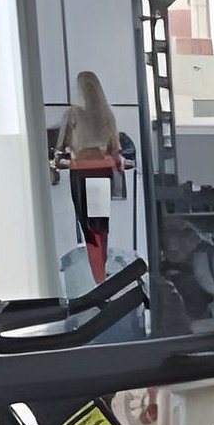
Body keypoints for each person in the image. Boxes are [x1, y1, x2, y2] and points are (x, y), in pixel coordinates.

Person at [54, 71, 127, 282]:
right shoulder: (107, 115)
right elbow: (116, 150)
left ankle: (95, 276)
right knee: (100, 227)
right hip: (102, 173)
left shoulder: (72, 114)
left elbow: (60, 150)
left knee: (86, 226)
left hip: (82, 172)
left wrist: (61, 160)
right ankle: (100, 272)